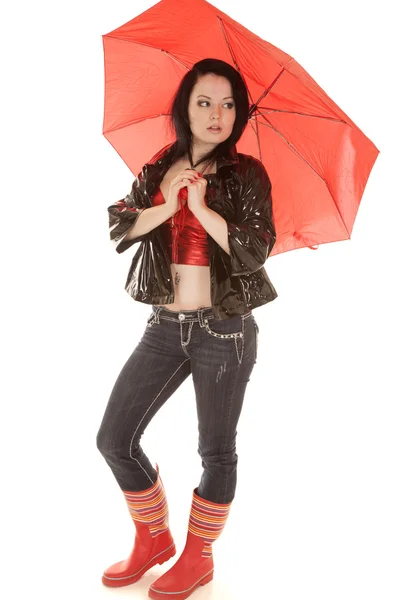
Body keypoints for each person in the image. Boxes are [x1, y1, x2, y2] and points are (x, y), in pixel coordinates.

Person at [96, 58, 278, 600]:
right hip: (163, 327)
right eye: (205, 102)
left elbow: (253, 250)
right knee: (113, 439)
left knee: (216, 452)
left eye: (227, 104)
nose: (217, 114)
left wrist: (201, 207)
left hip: (224, 331)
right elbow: (120, 225)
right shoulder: (160, 166)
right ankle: (153, 538)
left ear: (238, 113)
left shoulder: (247, 174)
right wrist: (170, 199)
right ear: (186, 108)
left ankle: (199, 557)